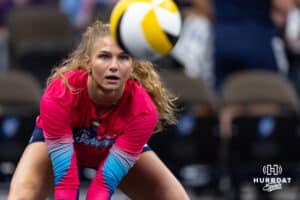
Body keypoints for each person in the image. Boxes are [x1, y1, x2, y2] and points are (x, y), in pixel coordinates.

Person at [8, 20, 190, 200]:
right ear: (88, 62)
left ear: (132, 64)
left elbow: (104, 185)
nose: (114, 66)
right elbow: (66, 183)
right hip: (58, 145)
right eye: (104, 56)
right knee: (21, 194)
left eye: (123, 57)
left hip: (112, 146)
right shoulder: (60, 94)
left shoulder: (143, 110)